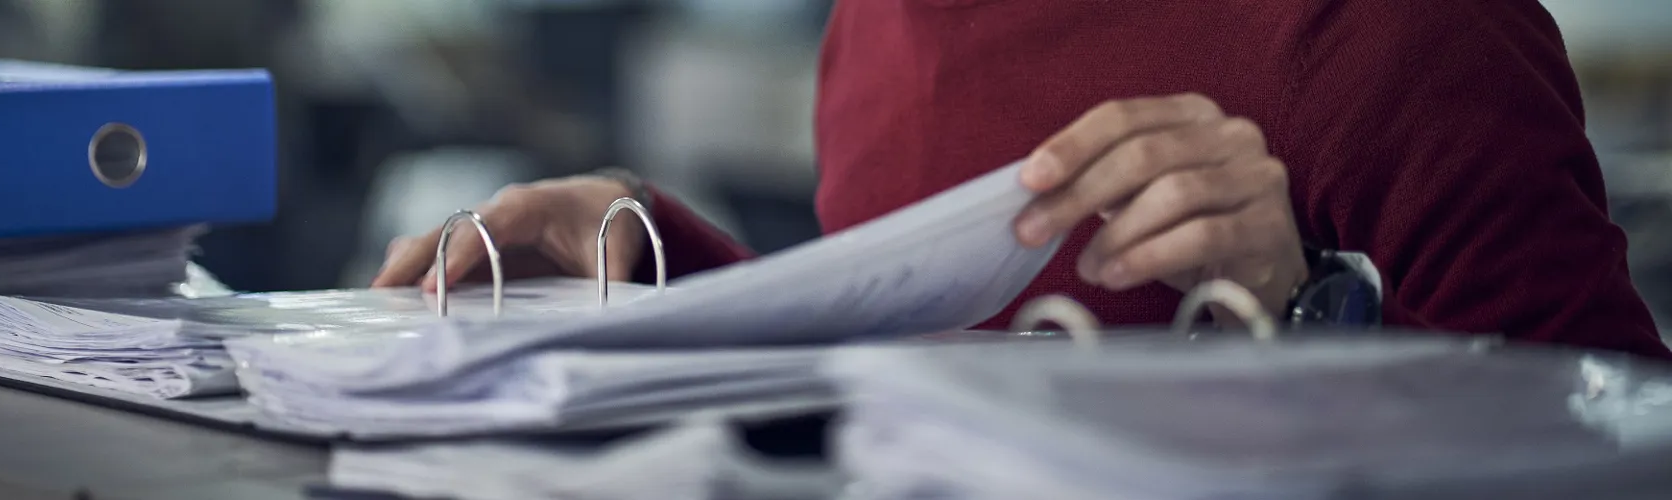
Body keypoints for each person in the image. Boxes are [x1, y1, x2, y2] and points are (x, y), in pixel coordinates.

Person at [375, 0, 1672, 359]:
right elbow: (962, 342)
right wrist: (663, 264)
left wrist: (1317, 303)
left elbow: (1614, 447)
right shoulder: (876, 26)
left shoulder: (1393, 32)